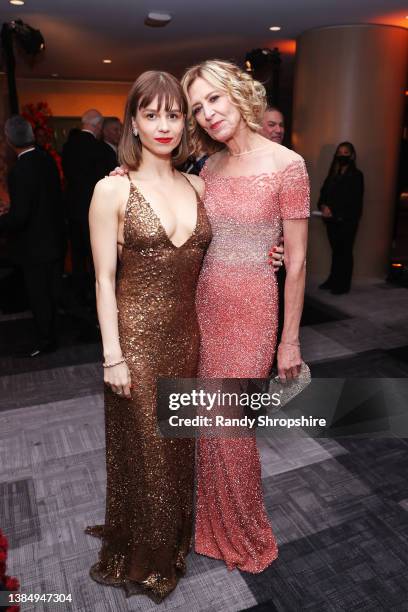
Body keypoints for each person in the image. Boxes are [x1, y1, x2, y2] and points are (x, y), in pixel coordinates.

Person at [85, 71, 212, 602]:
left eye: (174, 114)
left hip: (187, 336)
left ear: (185, 122)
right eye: (151, 114)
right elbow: (102, 279)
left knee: (177, 446)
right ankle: (143, 555)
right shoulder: (113, 187)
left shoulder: (199, 184)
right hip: (134, 340)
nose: (164, 125)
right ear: (133, 121)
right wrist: (113, 356)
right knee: (147, 450)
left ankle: (172, 539)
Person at [181, 59, 309, 572]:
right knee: (208, 425)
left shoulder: (287, 164)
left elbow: (296, 259)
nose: (208, 114)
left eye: (214, 99)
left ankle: (247, 533)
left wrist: (289, 341)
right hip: (204, 304)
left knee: (230, 427)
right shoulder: (208, 167)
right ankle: (213, 526)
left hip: (254, 307)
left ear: (238, 93)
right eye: (197, 108)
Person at [0, 116, 65, 356]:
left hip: (34, 246)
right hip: (54, 239)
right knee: (52, 293)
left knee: (39, 296)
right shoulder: (46, 159)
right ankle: (54, 336)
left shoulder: (19, 170)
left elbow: (20, 217)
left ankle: (46, 341)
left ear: (9, 141)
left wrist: (3, 219)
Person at [62, 109, 107, 308]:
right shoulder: (99, 148)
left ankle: (79, 300)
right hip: (93, 210)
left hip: (73, 210)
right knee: (96, 257)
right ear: (97, 126)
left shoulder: (68, 146)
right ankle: (95, 297)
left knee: (78, 258)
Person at [318, 141, 364, 294]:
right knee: (336, 252)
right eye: (340, 152)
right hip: (331, 221)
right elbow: (323, 194)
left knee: (345, 252)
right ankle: (333, 280)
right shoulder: (332, 175)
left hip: (347, 221)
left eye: (346, 152)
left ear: (352, 155)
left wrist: (334, 211)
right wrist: (323, 206)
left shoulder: (357, 175)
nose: (342, 155)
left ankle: (343, 285)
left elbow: (354, 201)